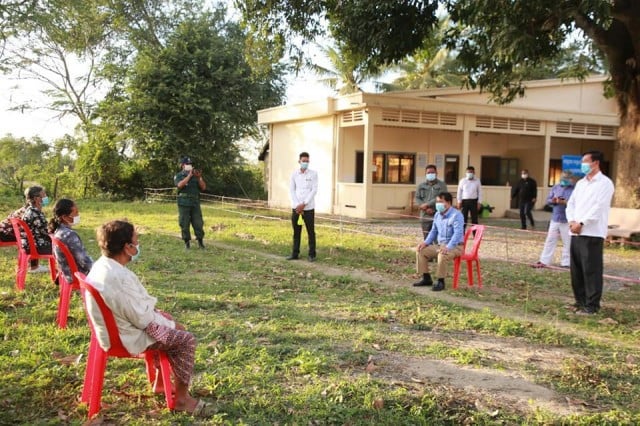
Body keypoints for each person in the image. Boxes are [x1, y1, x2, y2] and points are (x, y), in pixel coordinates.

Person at [86, 219, 214, 417]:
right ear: (127, 247)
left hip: (116, 327)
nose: (138, 245)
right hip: (126, 335)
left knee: (167, 319)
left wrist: (162, 317)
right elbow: (143, 320)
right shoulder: (117, 277)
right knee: (185, 339)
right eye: (136, 242)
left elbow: (137, 310)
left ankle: (162, 383)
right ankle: (181, 400)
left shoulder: (103, 265)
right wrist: (172, 325)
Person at [566, 150, 614, 315]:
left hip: (592, 232)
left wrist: (582, 223)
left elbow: (598, 208)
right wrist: (572, 221)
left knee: (591, 270)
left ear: (596, 163)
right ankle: (580, 301)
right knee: (577, 270)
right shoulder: (581, 183)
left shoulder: (605, 183)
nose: (583, 165)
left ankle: (592, 305)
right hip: (575, 232)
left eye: (586, 162)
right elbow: (571, 204)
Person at [412, 192, 465, 291]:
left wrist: (448, 247)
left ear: (448, 202)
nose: (438, 204)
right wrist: (425, 243)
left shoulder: (457, 215)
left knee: (442, 254)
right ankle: (426, 278)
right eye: (437, 202)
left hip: (455, 246)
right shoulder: (437, 215)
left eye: (441, 202)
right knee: (421, 250)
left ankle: (441, 281)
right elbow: (433, 231)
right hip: (440, 245)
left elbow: (457, 234)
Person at [532, 171, 576, 268]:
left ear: (571, 179)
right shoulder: (556, 187)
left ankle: (566, 263)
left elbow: (577, 204)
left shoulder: (574, 189)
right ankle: (544, 261)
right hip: (555, 218)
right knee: (550, 240)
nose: (563, 180)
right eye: (562, 178)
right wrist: (553, 200)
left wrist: (565, 202)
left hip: (567, 220)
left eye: (566, 179)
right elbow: (548, 200)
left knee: (567, 242)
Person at [48, 198, 93, 282]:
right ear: (65, 217)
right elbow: (84, 262)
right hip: (78, 275)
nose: (78, 215)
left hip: (66, 272)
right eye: (76, 213)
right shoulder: (69, 235)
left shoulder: (57, 230)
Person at [287, 151, 318, 262]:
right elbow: (292, 190)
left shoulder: (313, 174)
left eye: (307, 161)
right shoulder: (294, 174)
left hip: (308, 208)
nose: (305, 163)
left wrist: (304, 203)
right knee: (296, 232)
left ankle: (312, 254)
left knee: (311, 231)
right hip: (296, 208)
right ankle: (295, 253)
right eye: (303, 161)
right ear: (299, 161)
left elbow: (313, 190)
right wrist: (297, 205)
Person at [174, 156, 206, 249]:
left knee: (198, 222)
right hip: (184, 203)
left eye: (190, 164)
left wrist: (199, 177)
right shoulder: (179, 175)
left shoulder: (196, 175)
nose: (189, 166)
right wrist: (189, 176)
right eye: (187, 164)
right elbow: (179, 185)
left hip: (195, 203)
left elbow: (203, 187)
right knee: (184, 223)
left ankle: (200, 242)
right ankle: (187, 243)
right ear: (183, 165)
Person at [19, 186, 52, 273]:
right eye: (44, 195)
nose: (46, 197)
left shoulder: (30, 210)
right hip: (36, 247)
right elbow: (46, 232)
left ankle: (34, 267)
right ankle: (66, 273)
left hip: (29, 245)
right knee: (64, 247)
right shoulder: (35, 213)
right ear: (36, 199)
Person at [414, 164, 448, 239]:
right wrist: (426, 208)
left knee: (438, 239)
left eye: (432, 172)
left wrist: (427, 204)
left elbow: (441, 197)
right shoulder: (421, 186)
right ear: (425, 174)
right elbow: (417, 198)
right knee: (426, 238)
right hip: (425, 215)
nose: (430, 174)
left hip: (438, 214)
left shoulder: (442, 185)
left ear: (436, 173)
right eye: (428, 173)